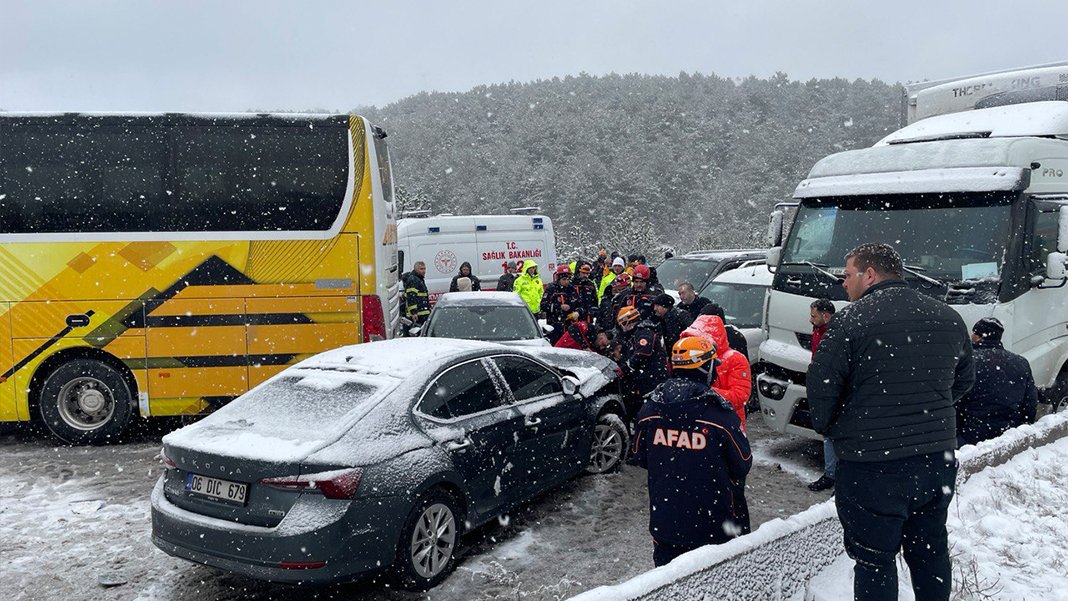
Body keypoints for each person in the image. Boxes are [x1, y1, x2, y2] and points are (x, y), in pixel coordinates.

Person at [808, 243, 974, 601]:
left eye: (847, 275)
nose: (843, 283)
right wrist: (925, 412)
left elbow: (822, 391)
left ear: (869, 274)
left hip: (872, 465)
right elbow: (963, 380)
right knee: (930, 549)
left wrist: (836, 428)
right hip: (935, 461)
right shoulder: (948, 317)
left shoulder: (850, 321)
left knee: (874, 560)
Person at [630, 336, 752, 567]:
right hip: (715, 528)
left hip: (666, 523)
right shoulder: (719, 415)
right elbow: (742, 463)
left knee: (668, 581)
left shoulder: (650, 410)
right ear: (705, 369)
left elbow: (640, 456)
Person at [956, 317, 1038, 447]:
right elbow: (1030, 403)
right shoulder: (1021, 362)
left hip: (971, 436)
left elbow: (956, 399)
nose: (971, 336)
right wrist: (1022, 427)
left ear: (979, 336)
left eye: (974, 333)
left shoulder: (967, 362)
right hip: (1008, 435)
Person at [680, 311, 752, 429]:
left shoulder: (735, 359)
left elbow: (740, 396)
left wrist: (704, 392)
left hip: (727, 424)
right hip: (699, 422)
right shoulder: (692, 357)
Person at [806, 298, 838, 492]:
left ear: (826, 316)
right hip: (823, 386)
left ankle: (834, 476)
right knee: (828, 433)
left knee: (832, 433)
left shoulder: (834, 335)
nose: (810, 320)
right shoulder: (819, 330)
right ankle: (831, 474)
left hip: (831, 388)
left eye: (813, 316)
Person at [616, 305, 670, 417]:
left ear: (627, 322)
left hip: (653, 379)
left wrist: (625, 368)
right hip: (647, 379)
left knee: (652, 411)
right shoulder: (637, 334)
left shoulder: (644, 333)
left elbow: (642, 354)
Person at [542, 265, 578, 343]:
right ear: (558, 278)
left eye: (568, 279)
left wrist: (575, 311)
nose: (566, 282)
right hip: (554, 324)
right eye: (564, 279)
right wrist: (559, 307)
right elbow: (543, 305)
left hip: (569, 324)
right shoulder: (551, 288)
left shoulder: (571, 288)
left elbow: (577, 303)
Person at [401, 261, 431, 335]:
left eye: (424, 269)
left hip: (421, 313)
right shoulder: (413, 280)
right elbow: (411, 297)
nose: (424, 271)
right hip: (417, 315)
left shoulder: (418, 279)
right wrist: (414, 312)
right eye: (421, 269)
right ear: (416, 269)